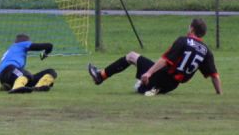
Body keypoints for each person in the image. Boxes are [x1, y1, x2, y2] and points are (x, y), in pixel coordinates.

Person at [88, 18, 222, 96]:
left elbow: (165, 60)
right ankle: (151, 87)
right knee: (143, 84)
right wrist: (219, 94)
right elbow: (215, 76)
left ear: (192, 29)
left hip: (162, 76)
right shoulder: (206, 51)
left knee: (131, 56)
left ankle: (101, 76)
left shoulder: (183, 40)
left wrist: (149, 72)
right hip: (172, 86)